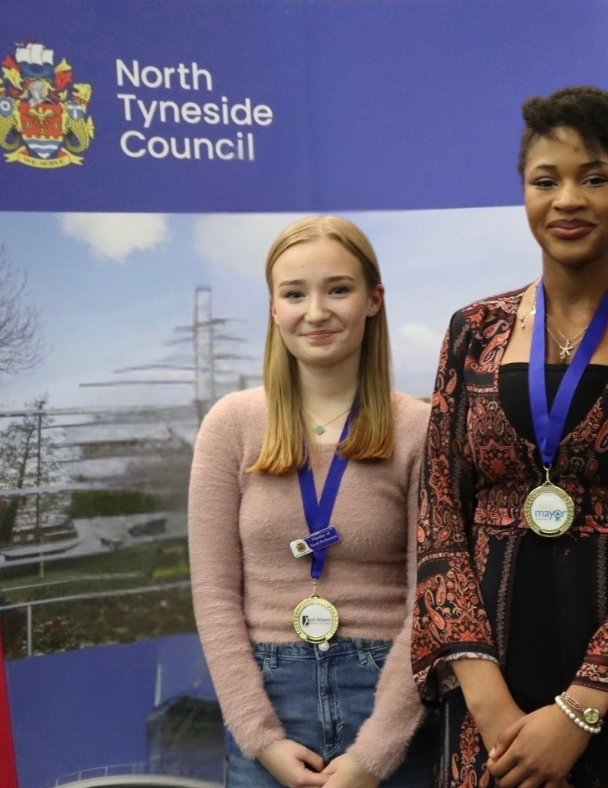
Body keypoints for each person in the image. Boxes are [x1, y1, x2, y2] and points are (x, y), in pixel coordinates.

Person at [413, 87, 608, 788]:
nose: (568, 200)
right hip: (490, 677)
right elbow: (436, 514)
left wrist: (579, 710)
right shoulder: (474, 329)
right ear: (524, 193)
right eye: (545, 181)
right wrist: (484, 695)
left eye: (595, 177)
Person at [189, 215, 433, 788]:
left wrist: (376, 753)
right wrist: (261, 739)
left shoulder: (421, 429)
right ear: (274, 308)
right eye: (294, 293)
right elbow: (214, 594)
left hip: (391, 704)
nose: (315, 312)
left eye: (338, 289)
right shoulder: (231, 425)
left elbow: (433, 599)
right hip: (268, 705)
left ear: (374, 300)